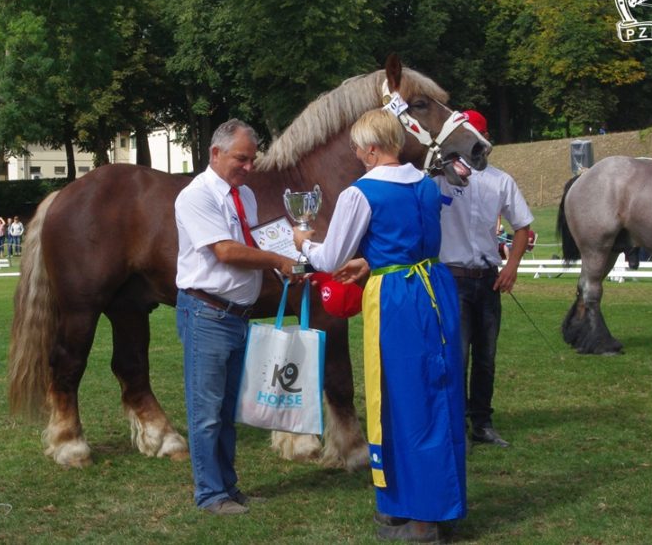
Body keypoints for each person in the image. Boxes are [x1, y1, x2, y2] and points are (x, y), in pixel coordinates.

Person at [293, 108, 466, 542]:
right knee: (431, 394)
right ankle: (406, 502)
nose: (354, 154)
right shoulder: (426, 185)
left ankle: (423, 517)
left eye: (356, 147)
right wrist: (373, 259)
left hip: (398, 299)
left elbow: (330, 258)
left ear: (371, 149)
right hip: (435, 289)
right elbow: (412, 239)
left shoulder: (361, 192)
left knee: (406, 400)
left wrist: (303, 241)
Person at [175, 119, 301, 516]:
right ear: (215, 153)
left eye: (252, 159)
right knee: (206, 412)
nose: (248, 167)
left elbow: (253, 241)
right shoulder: (196, 196)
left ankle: (227, 486)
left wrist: (294, 252)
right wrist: (281, 260)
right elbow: (227, 252)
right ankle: (210, 494)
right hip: (207, 312)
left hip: (236, 316)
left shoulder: (242, 195)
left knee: (228, 411)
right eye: (240, 159)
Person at [435, 109, 533, 449]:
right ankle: (454, 423)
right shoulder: (440, 178)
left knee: (486, 357)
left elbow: (522, 227)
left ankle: (482, 422)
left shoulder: (500, 180)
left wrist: (512, 266)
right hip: (453, 277)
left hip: (488, 277)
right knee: (457, 356)